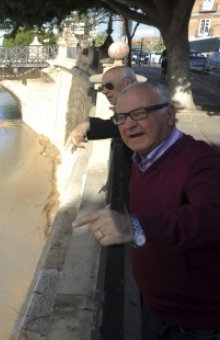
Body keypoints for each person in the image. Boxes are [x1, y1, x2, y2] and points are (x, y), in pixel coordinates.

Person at [72, 82, 220, 338]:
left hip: (193, 323)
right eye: (121, 117)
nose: (128, 125)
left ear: (170, 113)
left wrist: (135, 226)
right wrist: (91, 126)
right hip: (154, 305)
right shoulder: (144, 157)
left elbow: (213, 217)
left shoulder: (201, 161)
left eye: (140, 113)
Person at [67, 66, 138, 148]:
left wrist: (88, 125)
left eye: (109, 85)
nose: (104, 91)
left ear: (127, 83)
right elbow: (114, 126)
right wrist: (87, 125)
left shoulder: (143, 104)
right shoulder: (132, 105)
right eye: (102, 87)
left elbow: (115, 127)